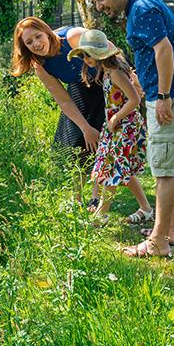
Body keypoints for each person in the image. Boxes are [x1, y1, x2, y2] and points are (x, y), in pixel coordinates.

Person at [89, 0, 174, 258]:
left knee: (164, 170)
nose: (100, 6)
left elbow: (164, 51)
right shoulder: (141, 6)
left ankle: (158, 242)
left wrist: (162, 96)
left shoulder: (140, 9)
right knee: (165, 165)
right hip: (166, 94)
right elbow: (154, 52)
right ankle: (171, 232)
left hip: (171, 96)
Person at [10, 17, 105, 204]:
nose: (36, 44)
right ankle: (75, 198)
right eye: (29, 42)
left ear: (46, 31)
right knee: (78, 139)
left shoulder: (74, 37)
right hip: (80, 84)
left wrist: (130, 80)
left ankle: (96, 198)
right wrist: (85, 128)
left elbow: (109, 50)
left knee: (104, 139)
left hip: (106, 80)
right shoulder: (40, 66)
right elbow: (63, 100)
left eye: (38, 36)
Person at [67, 29, 153, 226]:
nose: (85, 59)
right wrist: (112, 122)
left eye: (87, 55)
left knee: (112, 168)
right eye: (83, 55)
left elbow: (134, 99)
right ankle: (146, 209)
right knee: (119, 169)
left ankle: (101, 215)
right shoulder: (106, 72)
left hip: (126, 125)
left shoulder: (115, 73)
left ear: (98, 54)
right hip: (114, 126)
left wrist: (116, 119)